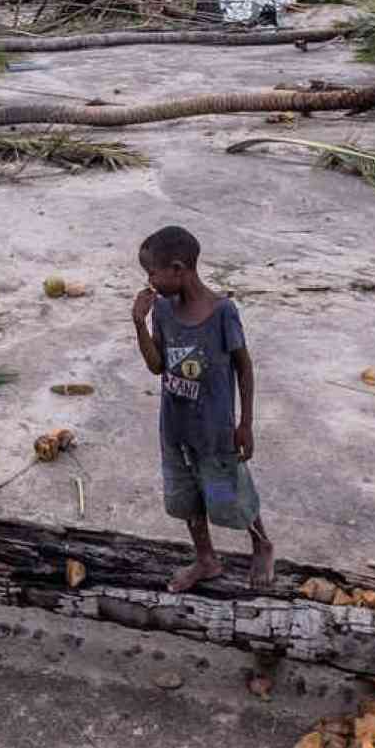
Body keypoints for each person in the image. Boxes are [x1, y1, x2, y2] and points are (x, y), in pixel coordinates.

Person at [130, 224, 274, 592]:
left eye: (153, 273)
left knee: (228, 494)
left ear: (178, 269)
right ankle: (205, 558)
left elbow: (244, 366)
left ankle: (261, 543)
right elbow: (157, 366)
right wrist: (139, 325)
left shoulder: (222, 312)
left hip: (215, 432)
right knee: (186, 497)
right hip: (176, 429)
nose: (150, 281)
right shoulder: (161, 310)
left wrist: (246, 423)